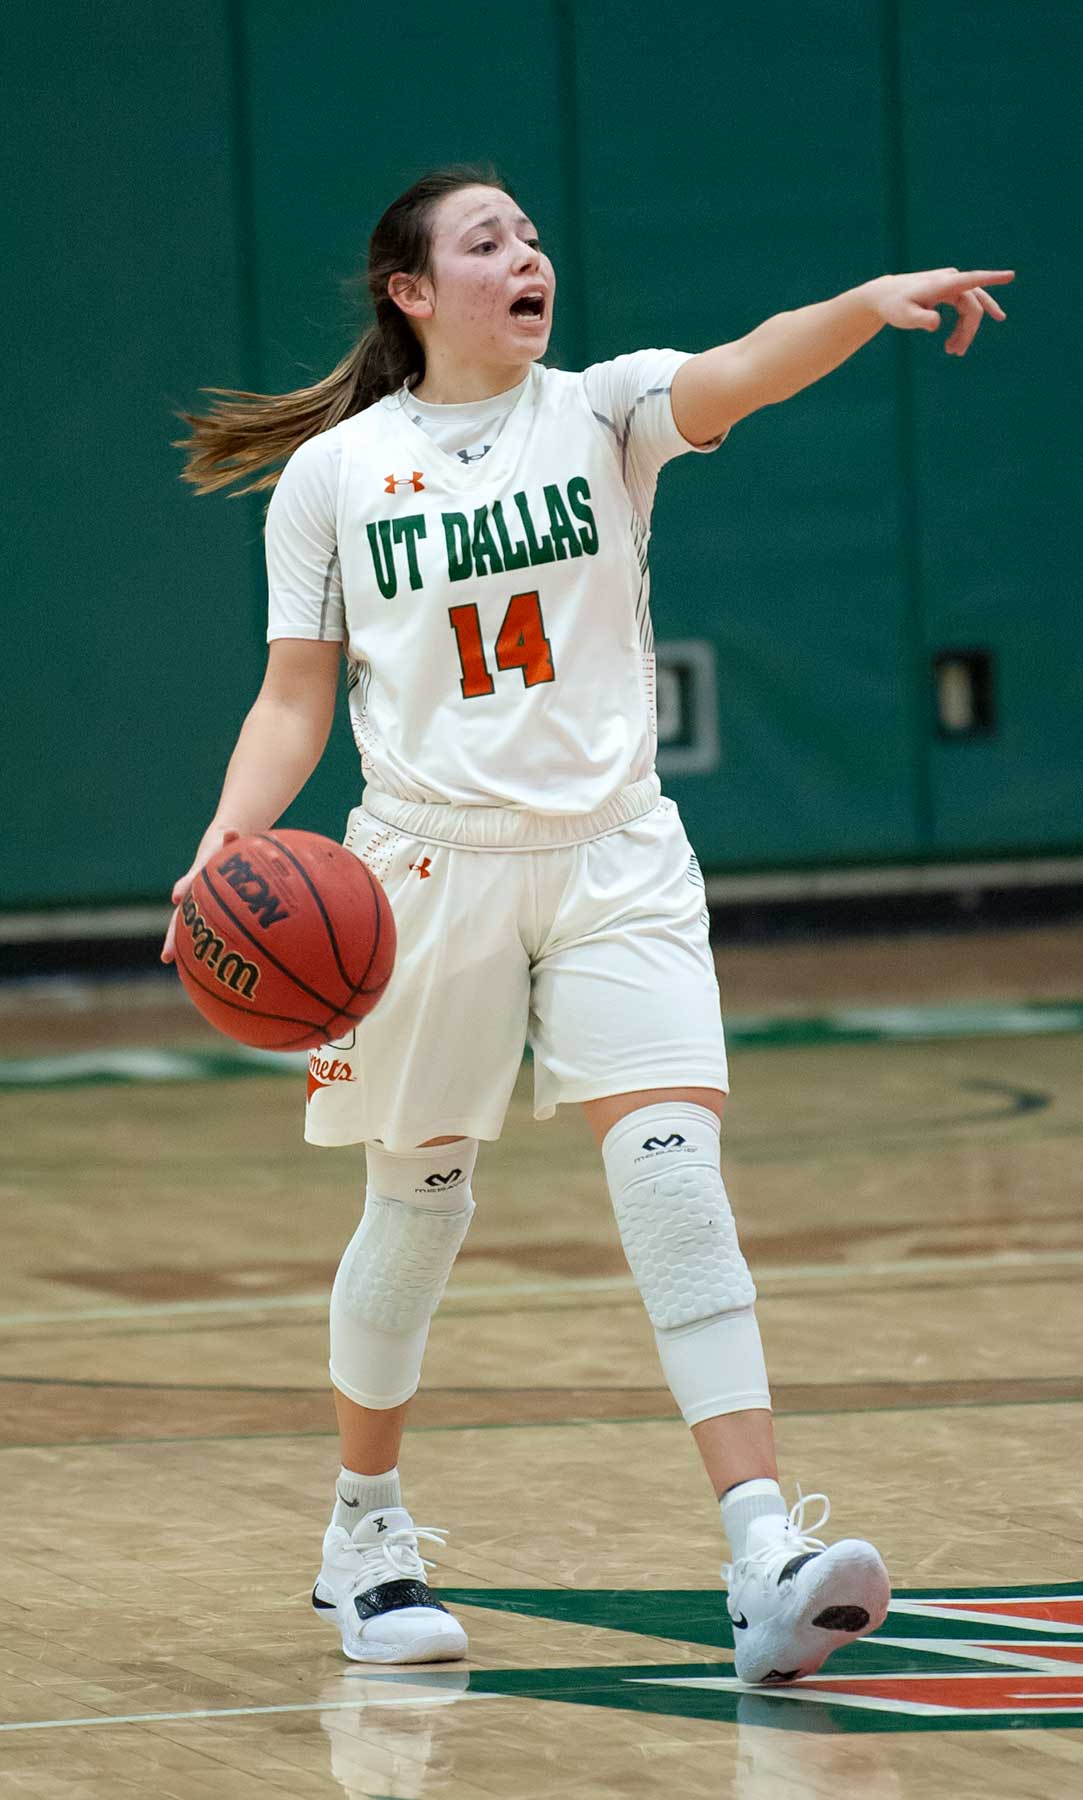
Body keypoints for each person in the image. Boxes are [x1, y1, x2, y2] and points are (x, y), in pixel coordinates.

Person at [165, 162, 1013, 1684]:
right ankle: (366, 1530)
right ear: (412, 292)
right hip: (424, 869)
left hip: (617, 850)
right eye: (488, 241)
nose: (528, 256)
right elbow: (297, 696)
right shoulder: (334, 477)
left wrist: (863, 305)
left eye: (534, 236)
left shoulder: (606, 412)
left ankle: (763, 1549)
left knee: (673, 1172)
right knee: (418, 1205)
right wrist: (228, 840)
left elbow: (750, 365)